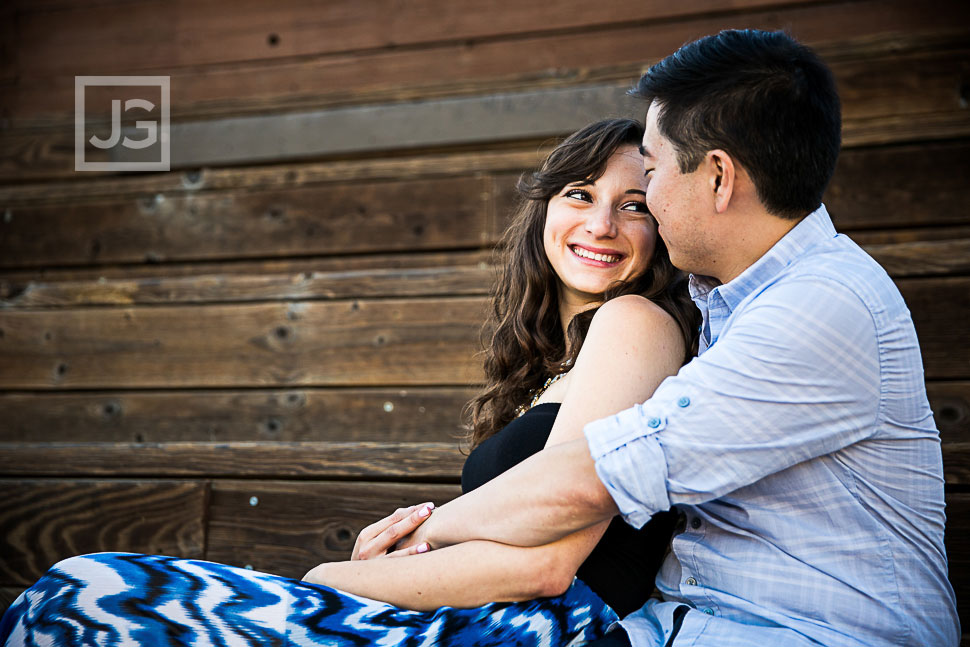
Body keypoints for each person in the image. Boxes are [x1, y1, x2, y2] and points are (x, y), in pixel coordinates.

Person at [0, 118, 700, 647]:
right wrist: (406, 558)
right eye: (580, 194)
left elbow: (550, 565)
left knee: (82, 596)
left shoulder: (636, 321)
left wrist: (336, 577)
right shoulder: (550, 367)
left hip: (536, 631)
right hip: (479, 617)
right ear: (546, 209)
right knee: (69, 602)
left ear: (662, 225)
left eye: (634, 204)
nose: (602, 223)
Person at [395, 29, 961, 647]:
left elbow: (596, 478)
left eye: (652, 176)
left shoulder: (820, 306)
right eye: (580, 195)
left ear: (718, 178)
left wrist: (411, 535)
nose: (636, 209)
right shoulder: (732, 304)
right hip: (670, 629)